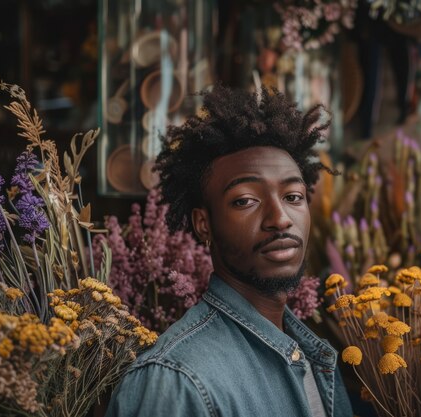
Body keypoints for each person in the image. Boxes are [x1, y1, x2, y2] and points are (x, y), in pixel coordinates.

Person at [105, 86, 353, 417]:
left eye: (293, 197)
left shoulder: (316, 356)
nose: (280, 219)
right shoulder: (176, 381)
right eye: (245, 201)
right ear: (203, 224)